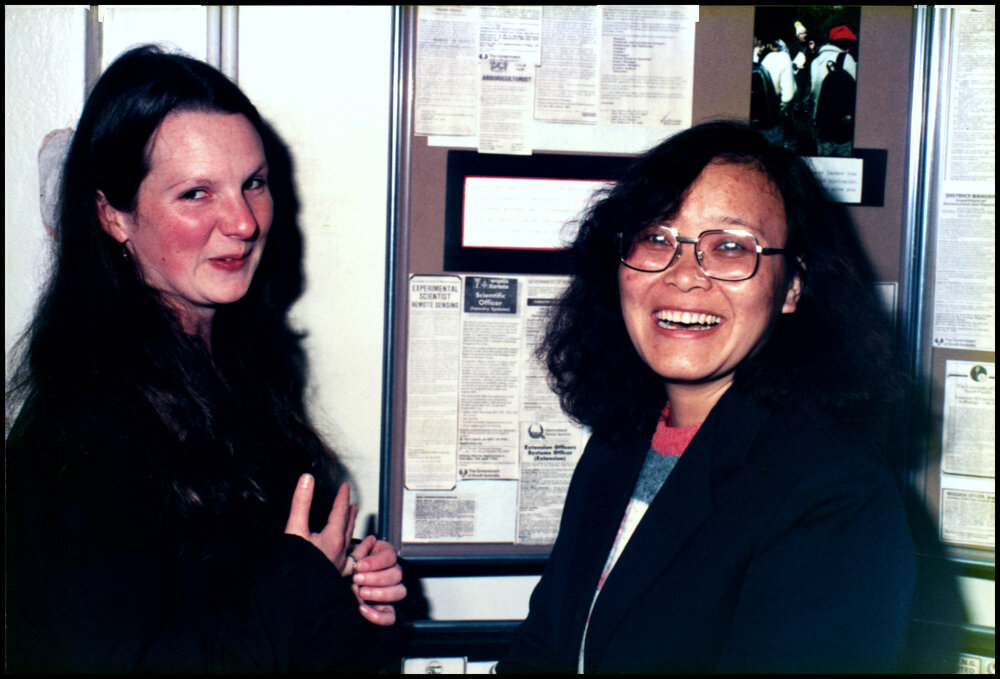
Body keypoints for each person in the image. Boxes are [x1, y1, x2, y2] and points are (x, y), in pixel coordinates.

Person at [6, 45, 405, 673]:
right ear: (113, 215)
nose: (244, 222)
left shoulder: (239, 374)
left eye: (253, 183)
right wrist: (301, 582)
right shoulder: (85, 423)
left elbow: (247, 611)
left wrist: (350, 593)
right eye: (196, 193)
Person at [498, 121, 921, 673]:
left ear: (793, 286)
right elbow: (544, 648)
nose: (684, 277)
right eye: (656, 238)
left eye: (728, 247)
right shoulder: (621, 440)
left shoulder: (837, 492)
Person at [811, 25, 859, 157]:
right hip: (842, 125)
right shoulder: (846, 59)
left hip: (822, 124)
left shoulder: (815, 62)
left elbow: (814, 94)